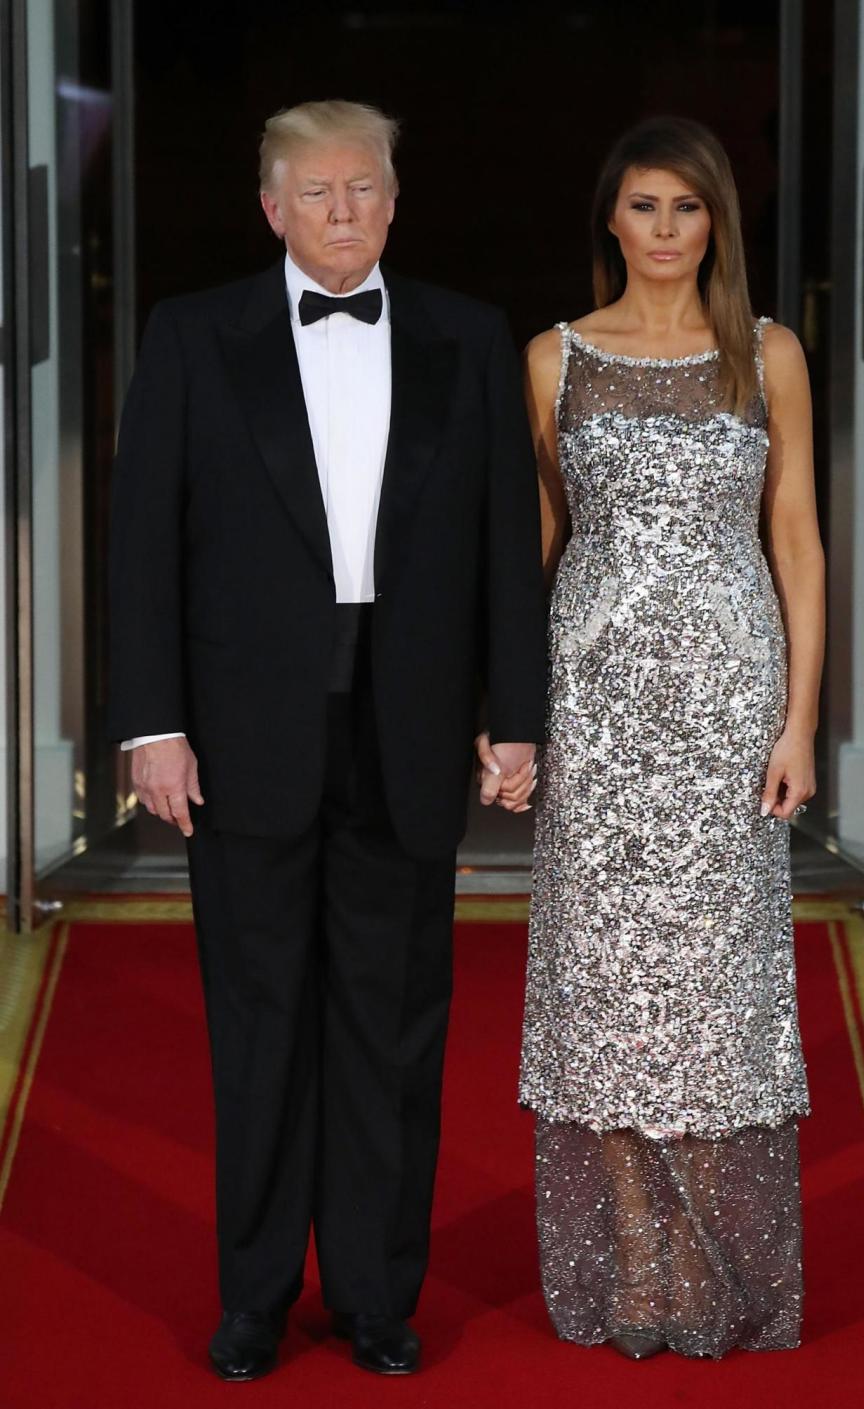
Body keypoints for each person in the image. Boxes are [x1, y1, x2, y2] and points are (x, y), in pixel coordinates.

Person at [107, 99, 546, 1382]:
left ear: (396, 200)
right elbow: (145, 548)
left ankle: (374, 1294)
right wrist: (154, 725)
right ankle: (254, 1295)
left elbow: (503, 562)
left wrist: (514, 719)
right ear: (271, 208)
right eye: (316, 193)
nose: (342, 213)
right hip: (241, 736)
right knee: (256, 1024)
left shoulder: (469, 339)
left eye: (364, 190)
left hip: (405, 733)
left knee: (394, 1027)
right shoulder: (194, 335)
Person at [511, 114, 824, 1361]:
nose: (664, 232)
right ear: (611, 217)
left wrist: (801, 719)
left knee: (715, 995)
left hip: (729, 708)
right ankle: (636, 1261)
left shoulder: (767, 353)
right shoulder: (552, 359)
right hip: (595, 708)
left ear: (717, 224)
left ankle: (718, 1264)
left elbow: (794, 542)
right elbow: (532, 547)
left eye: (687, 209)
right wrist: (508, 720)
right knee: (604, 995)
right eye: (644, 207)